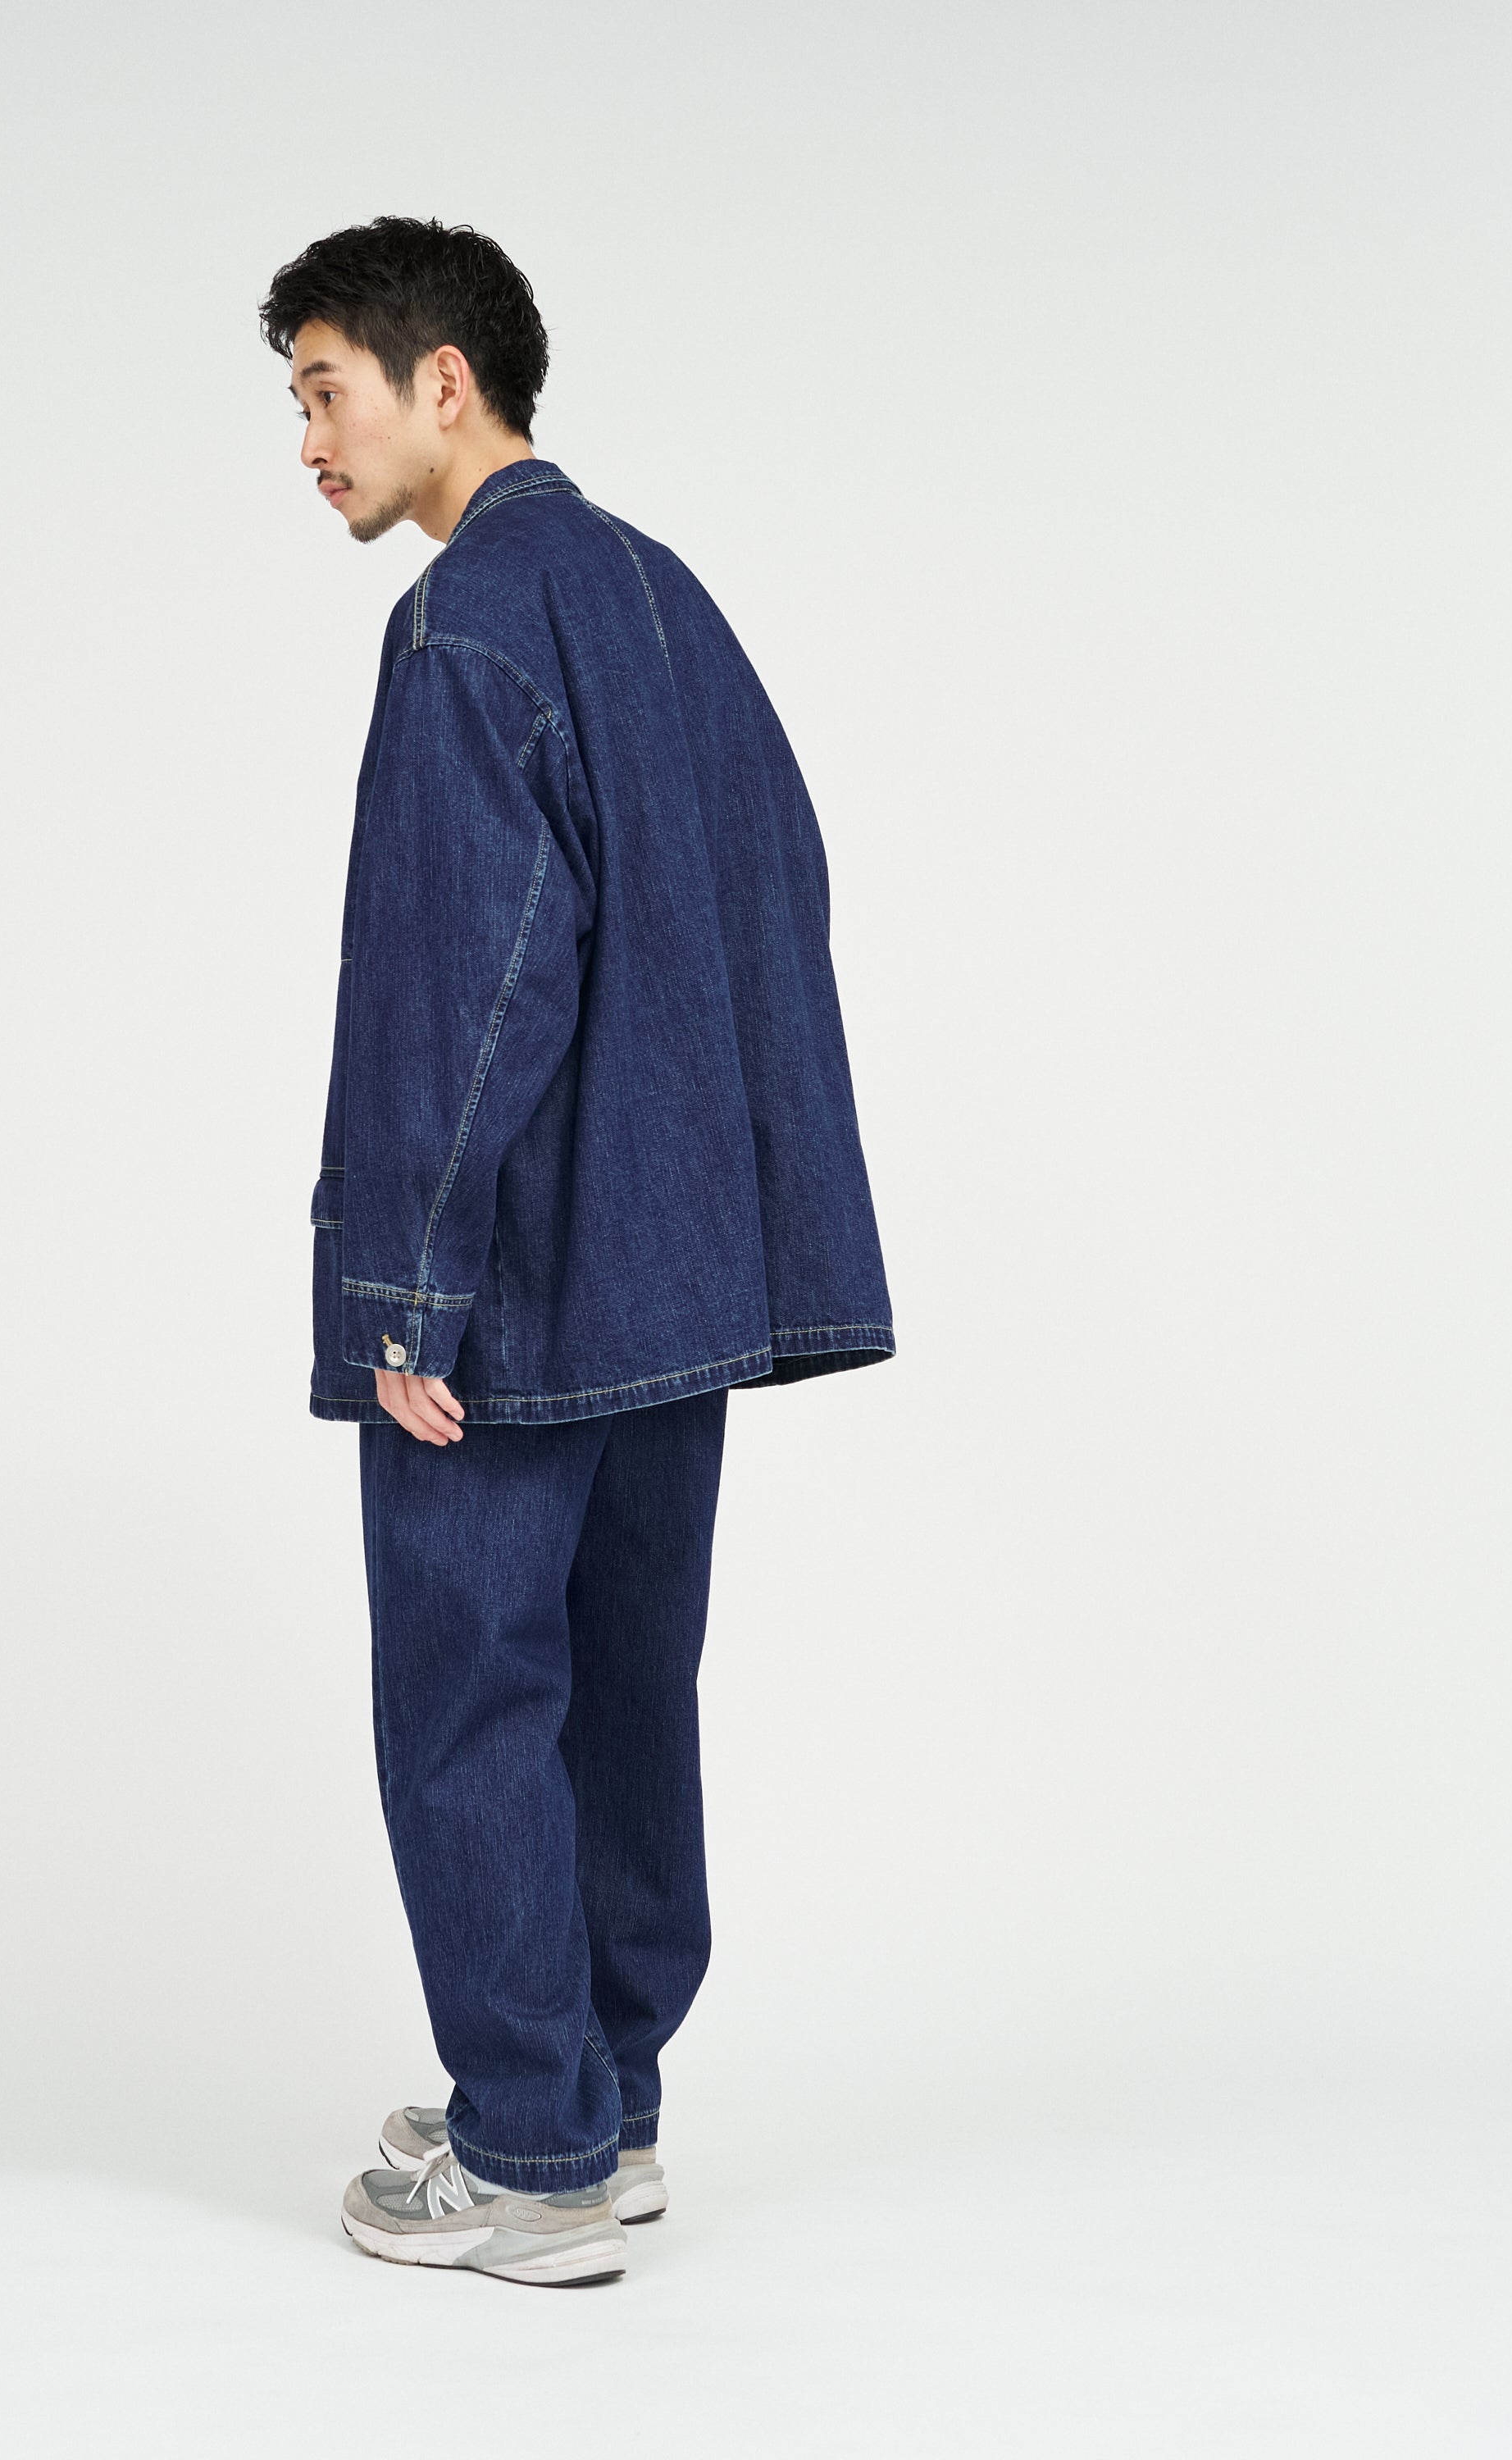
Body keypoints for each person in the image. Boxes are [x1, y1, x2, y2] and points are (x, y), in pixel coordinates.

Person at [260, 218, 893, 2287]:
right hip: (672, 1274)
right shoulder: (665, 598)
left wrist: (405, 1292)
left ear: (444, 381)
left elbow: (470, 979)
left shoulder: (473, 619)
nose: (308, 443)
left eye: (326, 391)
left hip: (514, 1289)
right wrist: (743, 1229)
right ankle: (603, 2107)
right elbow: (779, 898)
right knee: (625, 1692)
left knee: (471, 1697)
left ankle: (528, 2156)